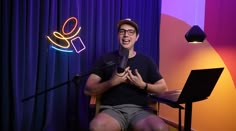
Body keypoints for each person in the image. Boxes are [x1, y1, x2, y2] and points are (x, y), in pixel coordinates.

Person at [84, 18, 169, 131]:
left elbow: (163, 88)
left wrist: (143, 85)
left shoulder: (146, 61)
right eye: (122, 31)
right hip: (112, 111)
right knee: (96, 127)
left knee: (160, 128)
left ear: (136, 37)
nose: (126, 35)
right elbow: (88, 89)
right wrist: (112, 82)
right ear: (118, 35)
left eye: (130, 32)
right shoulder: (105, 59)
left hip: (140, 111)